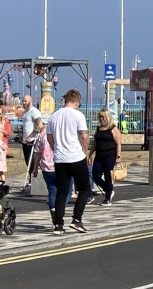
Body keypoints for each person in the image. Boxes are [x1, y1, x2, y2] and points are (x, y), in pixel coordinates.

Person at [47, 89, 91, 234]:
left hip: (60, 158)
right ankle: (77, 219)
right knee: (84, 189)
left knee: (62, 191)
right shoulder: (78, 115)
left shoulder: (53, 117)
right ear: (77, 102)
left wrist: (56, 149)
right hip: (76, 156)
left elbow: (49, 138)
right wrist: (85, 152)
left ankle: (58, 225)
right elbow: (84, 135)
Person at [31, 127, 69, 215]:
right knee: (65, 191)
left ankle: (53, 209)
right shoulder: (62, 133)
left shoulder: (43, 134)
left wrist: (35, 167)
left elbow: (38, 152)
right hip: (61, 165)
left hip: (46, 167)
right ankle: (59, 210)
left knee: (52, 190)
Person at [89, 108, 122, 207]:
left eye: (103, 116)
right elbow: (95, 142)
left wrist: (118, 156)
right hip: (99, 155)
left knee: (108, 176)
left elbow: (118, 143)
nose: (101, 118)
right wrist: (90, 154)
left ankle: (108, 198)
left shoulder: (113, 129)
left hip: (110, 155)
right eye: (100, 116)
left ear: (108, 117)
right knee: (96, 176)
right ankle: (108, 190)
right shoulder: (98, 129)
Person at [19, 94, 43, 188]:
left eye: (25, 101)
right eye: (23, 101)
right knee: (27, 161)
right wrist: (22, 135)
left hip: (33, 140)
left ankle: (34, 181)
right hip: (25, 141)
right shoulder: (25, 112)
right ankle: (31, 179)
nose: (24, 103)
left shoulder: (34, 112)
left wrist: (31, 136)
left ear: (30, 101)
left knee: (32, 161)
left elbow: (40, 126)